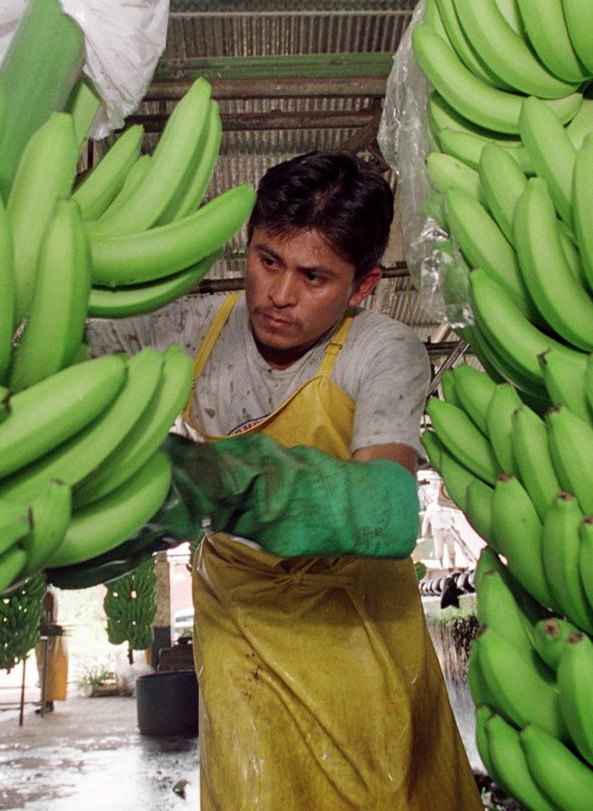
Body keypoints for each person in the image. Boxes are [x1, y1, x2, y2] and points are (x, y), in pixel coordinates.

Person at [87, 151, 482, 810]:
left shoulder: (381, 352)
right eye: (268, 260)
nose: (280, 293)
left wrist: (231, 481)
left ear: (362, 286)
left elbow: (387, 509)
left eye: (314, 275)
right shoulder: (194, 331)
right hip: (239, 615)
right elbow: (64, 344)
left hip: (353, 627)